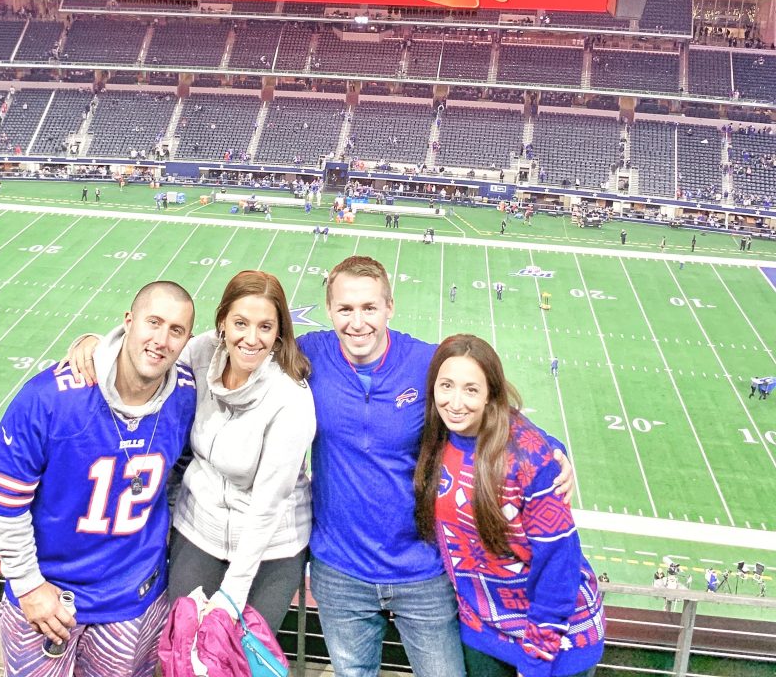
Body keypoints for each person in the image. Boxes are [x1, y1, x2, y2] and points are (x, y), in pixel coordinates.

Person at [300, 257, 573, 677]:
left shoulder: (425, 362)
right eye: (345, 309)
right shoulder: (310, 354)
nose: (358, 322)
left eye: (369, 308)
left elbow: (492, 407)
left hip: (423, 569)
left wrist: (554, 450)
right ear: (329, 310)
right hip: (340, 572)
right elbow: (244, 349)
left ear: (390, 306)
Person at [69, 271, 315, 635]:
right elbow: (148, 352)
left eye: (265, 326)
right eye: (240, 323)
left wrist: (232, 595)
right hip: (199, 528)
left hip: (271, 546)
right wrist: (94, 345)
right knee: (182, 649)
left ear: (279, 332)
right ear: (222, 324)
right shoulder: (202, 352)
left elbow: (268, 506)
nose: (251, 338)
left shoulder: (291, 400)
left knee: (239, 659)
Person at [0, 282, 197, 677]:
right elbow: (0, 499)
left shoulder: (186, 394)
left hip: (134, 601)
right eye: (153, 322)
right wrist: (28, 586)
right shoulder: (51, 397)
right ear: (128, 322)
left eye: (176, 330)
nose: (161, 340)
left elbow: (182, 469)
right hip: (50, 597)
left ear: (187, 340)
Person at [414, 334, 605, 677]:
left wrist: (537, 658)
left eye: (471, 389)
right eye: (446, 386)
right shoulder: (435, 436)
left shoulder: (530, 458)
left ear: (491, 395)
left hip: (556, 641)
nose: (455, 402)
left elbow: (558, 565)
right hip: (483, 631)